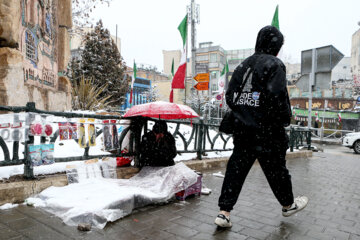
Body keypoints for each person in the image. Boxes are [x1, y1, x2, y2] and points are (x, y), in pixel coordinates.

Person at [215, 26, 308, 228]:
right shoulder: (274, 64)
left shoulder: (242, 66)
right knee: (276, 170)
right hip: (267, 131)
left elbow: (230, 96)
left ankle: (224, 213)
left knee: (236, 170)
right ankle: (287, 204)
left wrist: (245, 112)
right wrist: (281, 119)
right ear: (275, 45)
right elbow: (277, 98)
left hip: (242, 130)